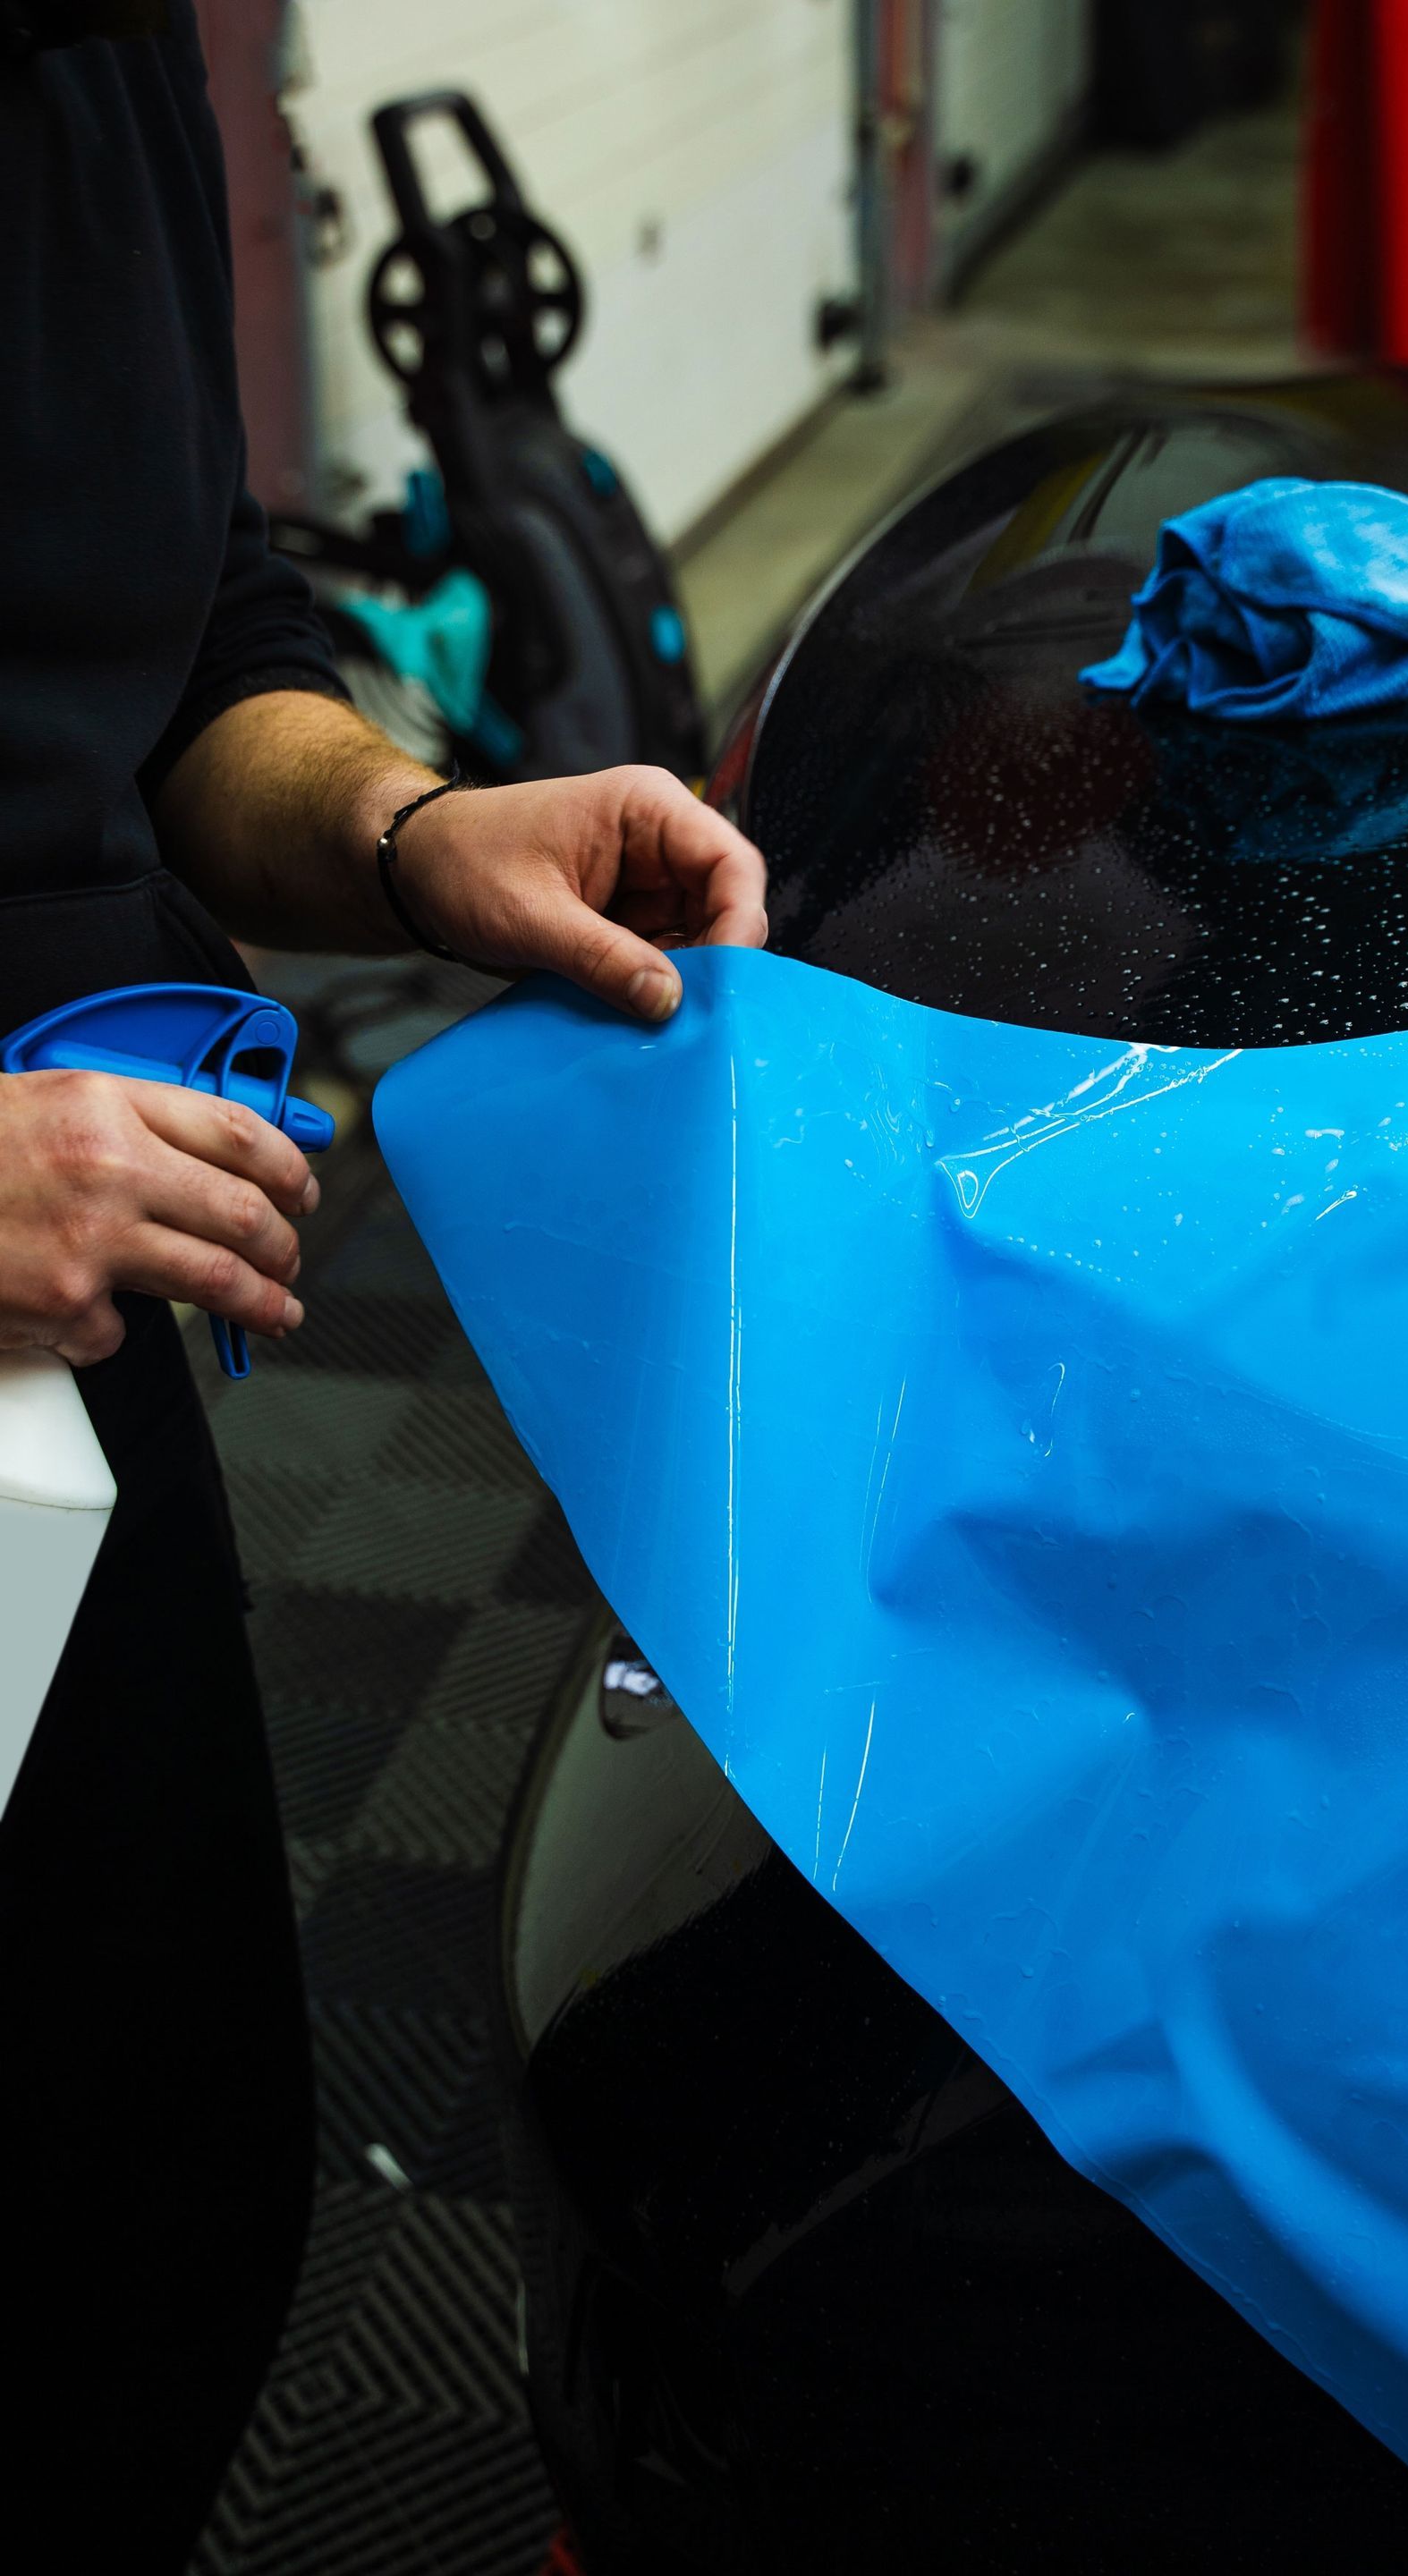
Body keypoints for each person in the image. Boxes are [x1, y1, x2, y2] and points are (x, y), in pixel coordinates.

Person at [0, 3, 767, 2563]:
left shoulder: (92, 52)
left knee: (153, 2209)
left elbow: (172, 634)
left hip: (61, 1315)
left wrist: (409, 828)